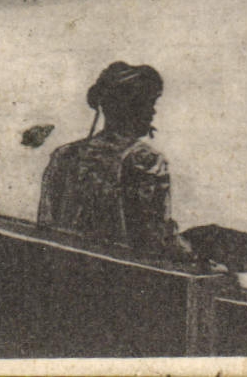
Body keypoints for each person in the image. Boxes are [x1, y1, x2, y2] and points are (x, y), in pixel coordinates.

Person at [37, 62, 194, 261]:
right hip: (120, 281)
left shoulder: (64, 155)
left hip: (62, 272)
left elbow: (45, 226)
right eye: (150, 104)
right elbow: (156, 239)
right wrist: (195, 252)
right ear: (131, 109)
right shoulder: (145, 161)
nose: (153, 113)